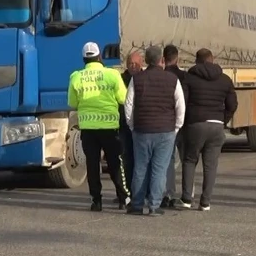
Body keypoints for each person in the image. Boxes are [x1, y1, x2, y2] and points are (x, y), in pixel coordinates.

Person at [124, 46, 185, 216]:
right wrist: (176, 127)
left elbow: (128, 105)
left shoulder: (136, 79)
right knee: (159, 169)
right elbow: (180, 106)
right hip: (165, 131)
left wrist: (132, 126)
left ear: (146, 60)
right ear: (162, 60)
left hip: (142, 130)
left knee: (140, 168)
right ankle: (154, 206)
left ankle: (136, 205)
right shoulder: (172, 80)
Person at [69, 42, 130, 212]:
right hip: (109, 127)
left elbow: (72, 102)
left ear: (84, 59)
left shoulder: (76, 77)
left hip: (88, 128)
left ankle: (96, 201)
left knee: (92, 164)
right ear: (99, 57)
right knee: (115, 163)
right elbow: (123, 98)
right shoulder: (112, 74)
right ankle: (123, 197)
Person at [180, 48, 237, 211]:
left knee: (190, 160)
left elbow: (183, 102)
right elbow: (233, 105)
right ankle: (205, 202)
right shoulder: (225, 80)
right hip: (217, 125)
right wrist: (223, 120)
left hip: (195, 124)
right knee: (210, 165)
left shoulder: (189, 78)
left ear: (197, 61)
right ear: (212, 59)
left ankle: (186, 198)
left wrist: (185, 122)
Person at [161, 44, 188, 209]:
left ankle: (168, 193)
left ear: (163, 59)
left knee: (167, 160)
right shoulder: (185, 77)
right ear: (177, 58)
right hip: (183, 124)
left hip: (167, 124)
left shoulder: (162, 76)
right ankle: (187, 195)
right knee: (187, 160)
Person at [119, 49, 145, 191]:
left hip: (142, 126)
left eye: (136, 63)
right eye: (130, 63)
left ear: (141, 63)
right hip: (125, 127)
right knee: (127, 160)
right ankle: (128, 191)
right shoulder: (121, 80)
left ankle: (142, 191)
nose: (133, 66)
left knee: (142, 161)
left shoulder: (146, 78)